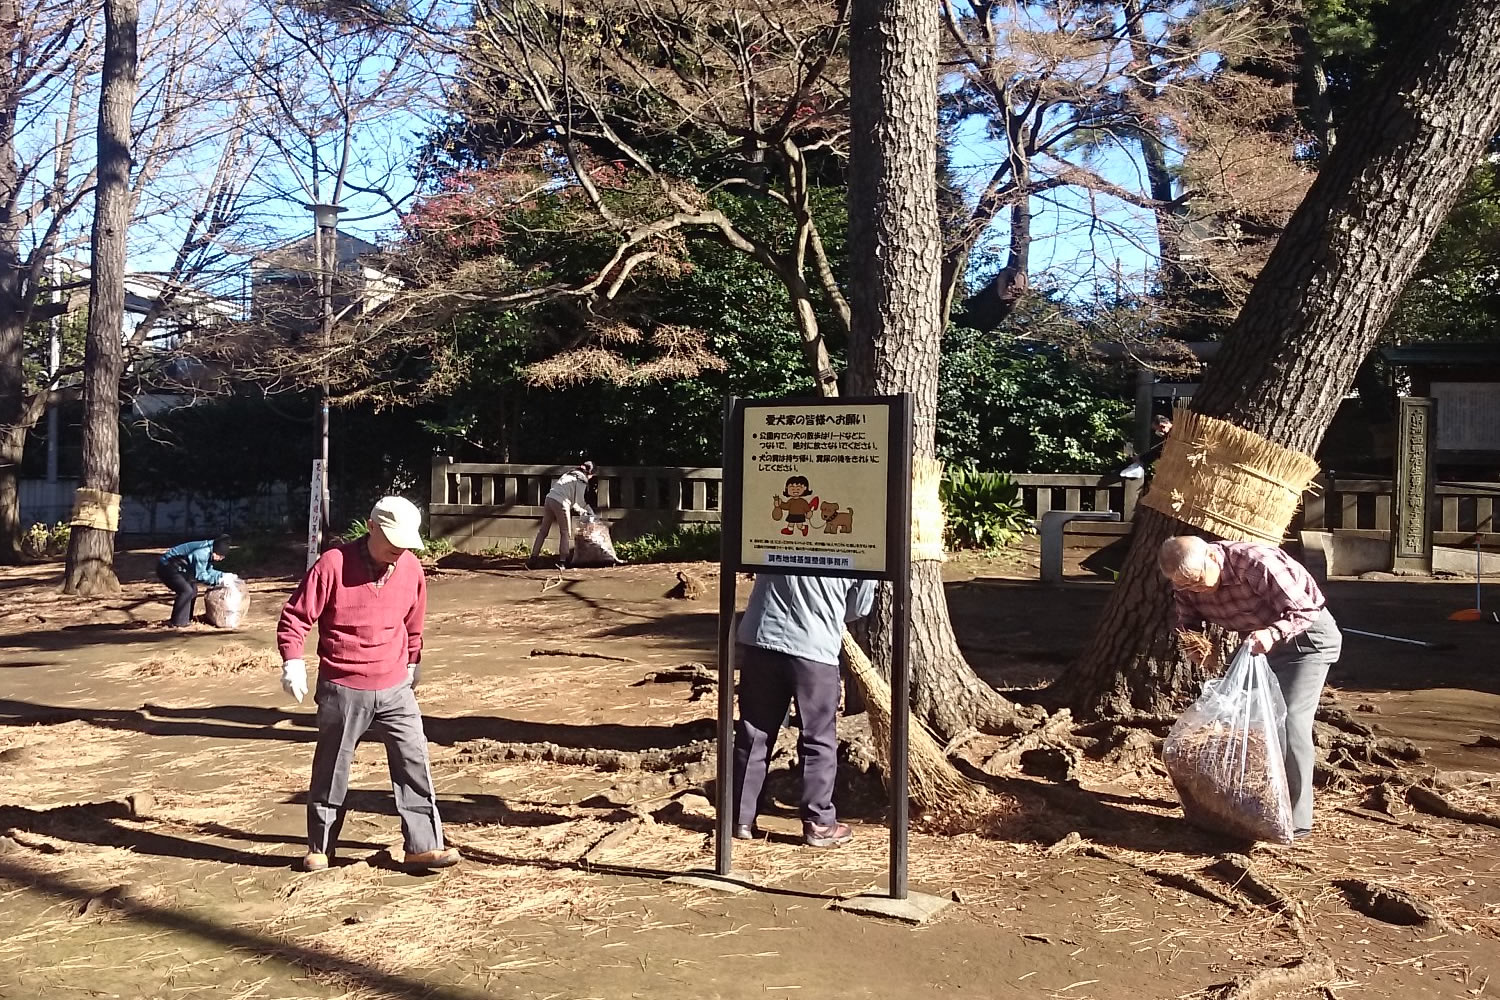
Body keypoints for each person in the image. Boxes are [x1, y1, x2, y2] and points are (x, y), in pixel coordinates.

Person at [276, 496, 459, 873]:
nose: (400, 550)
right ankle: (321, 847)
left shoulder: (410, 568)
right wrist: (293, 660)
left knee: (414, 760)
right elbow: (296, 617)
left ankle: (422, 845)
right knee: (332, 768)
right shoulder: (333, 564)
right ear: (371, 526)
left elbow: (414, 622)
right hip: (343, 686)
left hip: (395, 686)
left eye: (406, 543)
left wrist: (413, 660)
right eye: (392, 540)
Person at [1158, 535, 1343, 840]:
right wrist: (1195, 641)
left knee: (1290, 720)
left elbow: (1306, 611)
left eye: (1199, 581)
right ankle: (1236, 802)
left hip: (1306, 641)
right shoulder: (1186, 580)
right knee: (1239, 722)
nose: (1196, 590)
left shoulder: (1256, 563)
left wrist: (1272, 633)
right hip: (1255, 646)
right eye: (1186, 586)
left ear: (1213, 558)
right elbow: (1189, 619)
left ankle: (1295, 819)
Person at [732, 572, 876, 848]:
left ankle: (740, 817)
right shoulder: (858, 546)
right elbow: (859, 607)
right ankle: (819, 823)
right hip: (815, 647)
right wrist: (825, 609)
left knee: (754, 731)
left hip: (763, 637)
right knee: (818, 736)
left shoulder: (775, 532)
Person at [157, 534, 236, 627]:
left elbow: (207, 570)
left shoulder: (209, 550)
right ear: (215, 552)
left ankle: (186, 618)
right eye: (220, 556)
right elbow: (200, 575)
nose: (221, 559)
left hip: (179, 567)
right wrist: (218, 581)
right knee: (186, 591)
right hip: (166, 566)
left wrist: (222, 575)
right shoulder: (202, 552)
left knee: (193, 590)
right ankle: (178, 623)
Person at [529, 461, 594, 568]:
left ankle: (533, 557)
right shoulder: (582, 480)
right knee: (565, 532)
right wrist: (589, 512)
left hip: (549, 499)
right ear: (590, 473)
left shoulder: (569, 473)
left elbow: (573, 501)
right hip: (561, 503)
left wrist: (582, 510)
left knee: (543, 531)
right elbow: (579, 502)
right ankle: (562, 561)